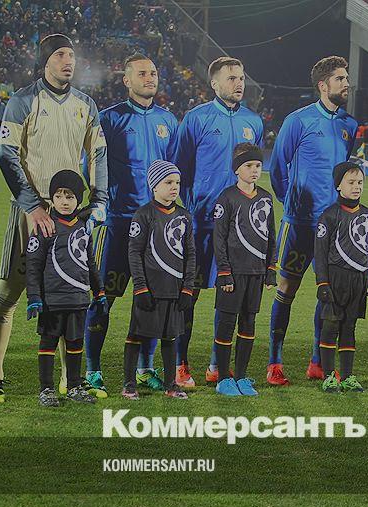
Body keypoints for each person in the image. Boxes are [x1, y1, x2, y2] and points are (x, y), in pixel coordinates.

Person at [0, 34, 108, 403]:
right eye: (60, 55)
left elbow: (98, 154)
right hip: (32, 211)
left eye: (72, 55)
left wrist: (99, 201)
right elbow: (6, 154)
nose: (68, 61)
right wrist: (32, 205)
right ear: (45, 61)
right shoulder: (23, 100)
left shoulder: (86, 104)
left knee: (69, 295)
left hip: (70, 214)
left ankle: (69, 382)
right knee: (9, 293)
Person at [85, 54, 180, 394]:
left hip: (157, 227)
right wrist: (102, 201)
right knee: (102, 298)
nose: (149, 77)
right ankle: (92, 369)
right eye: (142, 73)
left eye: (153, 72)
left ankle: (144, 368)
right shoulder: (109, 118)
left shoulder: (168, 120)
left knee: (153, 299)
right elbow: (92, 165)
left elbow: (174, 169)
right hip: (119, 223)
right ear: (127, 80)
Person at [173, 56, 264, 385]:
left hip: (240, 230)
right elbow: (181, 168)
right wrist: (194, 206)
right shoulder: (196, 118)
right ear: (214, 83)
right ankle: (180, 364)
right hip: (202, 224)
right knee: (190, 294)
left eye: (241, 77)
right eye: (231, 78)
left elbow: (253, 171)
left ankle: (216, 364)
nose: (239, 83)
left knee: (230, 297)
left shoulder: (253, 121)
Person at [268, 55, 357, 385]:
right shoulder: (298, 120)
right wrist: (291, 202)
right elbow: (278, 168)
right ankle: (274, 362)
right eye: (340, 79)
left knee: (328, 292)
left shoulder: (349, 125)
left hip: (332, 227)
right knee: (286, 288)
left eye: (346, 78)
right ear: (323, 85)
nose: (346, 84)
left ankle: (318, 362)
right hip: (300, 224)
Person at [25, 170, 106, 407]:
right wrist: (34, 296)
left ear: (78, 200)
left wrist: (99, 290)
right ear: (52, 198)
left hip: (78, 298)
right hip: (52, 299)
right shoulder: (45, 227)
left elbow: (90, 262)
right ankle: (46, 389)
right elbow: (33, 265)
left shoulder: (83, 227)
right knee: (48, 344)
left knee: (75, 343)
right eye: (59, 196)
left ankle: (74, 386)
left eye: (70, 196)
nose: (64, 201)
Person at [123, 160, 195, 400]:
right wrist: (140, 287)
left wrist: (187, 288)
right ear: (155, 186)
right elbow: (134, 253)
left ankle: (170, 385)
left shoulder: (185, 216)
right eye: (168, 182)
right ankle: (129, 384)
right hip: (150, 290)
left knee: (170, 336)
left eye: (177, 182)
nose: (174, 187)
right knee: (136, 334)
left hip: (174, 289)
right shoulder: (143, 215)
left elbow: (190, 254)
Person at [211, 144, 276, 396]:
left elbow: (271, 236)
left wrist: (270, 269)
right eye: (249, 165)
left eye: (258, 165)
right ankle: (223, 379)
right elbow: (219, 238)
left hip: (256, 272)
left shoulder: (266, 198)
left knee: (249, 323)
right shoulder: (227, 198)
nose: (254, 170)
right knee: (227, 324)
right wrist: (224, 271)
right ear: (237, 169)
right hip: (233, 274)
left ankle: (240, 377)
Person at [313, 162, 368, 393]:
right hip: (335, 279)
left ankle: (348, 376)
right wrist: (322, 282)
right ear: (339, 185)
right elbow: (320, 253)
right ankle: (329, 376)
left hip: (358, 280)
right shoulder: (329, 215)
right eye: (351, 182)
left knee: (349, 327)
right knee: (330, 325)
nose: (356, 186)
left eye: (360, 182)